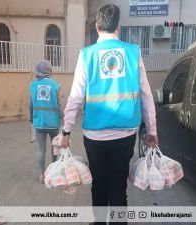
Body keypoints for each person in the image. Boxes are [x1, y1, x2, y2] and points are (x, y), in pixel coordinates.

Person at [61, 4, 158, 225]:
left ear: (97, 26)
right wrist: (151, 130)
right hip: (125, 136)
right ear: (119, 27)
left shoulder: (86, 55)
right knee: (118, 188)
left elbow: (75, 96)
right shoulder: (133, 52)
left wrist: (66, 131)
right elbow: (146, 94)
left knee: (99, 185)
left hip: (94, 138)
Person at [30, 60, 63, 184]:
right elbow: (59, 105)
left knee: (40, 150)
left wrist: (31, 119)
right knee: (55, 148)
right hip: (53, 123)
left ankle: (41, 175)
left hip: (39, 122)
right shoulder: (55, 85)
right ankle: (53, 173)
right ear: (49, 70)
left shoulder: (33, 85)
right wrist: (63, 118)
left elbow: (31, 105)